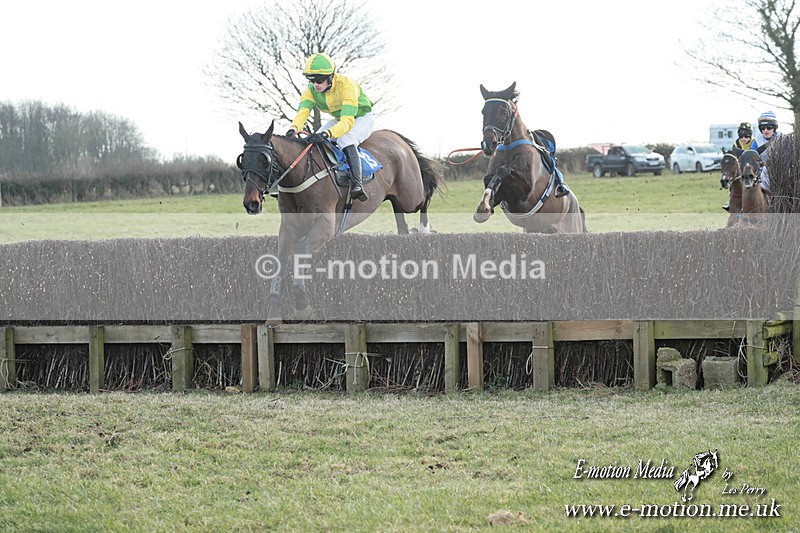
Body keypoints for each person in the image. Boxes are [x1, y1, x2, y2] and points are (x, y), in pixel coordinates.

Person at [285, 53, 373, 201]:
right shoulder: (311, 90)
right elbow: (303, 111)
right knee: (313, 143)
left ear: (331, 76)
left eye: (319, 80)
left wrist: (327, 134)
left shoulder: (347, 85)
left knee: (345, 140)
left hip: (361, 118)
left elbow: (347, 122)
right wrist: (293, 128)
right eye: (311, 80)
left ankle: (357, 184)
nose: (315, 85)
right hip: (339, 119)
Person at [722, 122, 754, 211]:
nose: (743, 139)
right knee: (733, 180)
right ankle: (730, 200)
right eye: (741, 137)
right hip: (740, 167)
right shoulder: (736, 143)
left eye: (746, 136)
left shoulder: (754, 142)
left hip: (752, 167)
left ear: (750, 135)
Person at [750, 110, 783, 195]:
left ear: (774, 128)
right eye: (762, 128)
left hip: (781, 171)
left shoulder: (783, 139)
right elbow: (751, 157)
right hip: (761, 171)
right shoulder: (756, 141)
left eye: (769, 127)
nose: (766, 130)